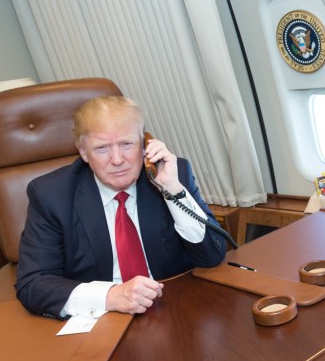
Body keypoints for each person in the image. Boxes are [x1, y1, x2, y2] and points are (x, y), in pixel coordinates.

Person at [16, 96, 227, 319]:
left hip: (173, 308)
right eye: (102, 148)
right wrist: (112, 296)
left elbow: (212, 257)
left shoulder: (172, 174)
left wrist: (173, 190)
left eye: (127, 144)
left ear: (144, 144)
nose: (117, 159)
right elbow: (33, 284)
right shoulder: (51, 195)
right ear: (83, 152)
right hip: (101, 317)